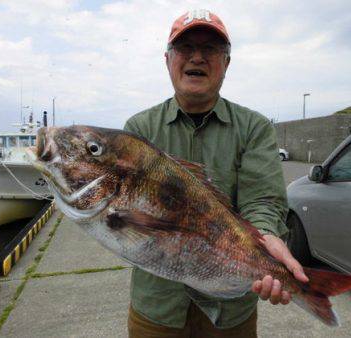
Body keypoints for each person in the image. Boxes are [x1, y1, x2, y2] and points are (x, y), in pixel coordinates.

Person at [124, 9, 308, 338]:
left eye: (210, 49)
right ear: (167, 60)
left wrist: (266, 240)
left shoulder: (253, 127)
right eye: (185, 48)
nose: (197, 56)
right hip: (157, 307)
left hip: (231, 312)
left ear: (226, 63)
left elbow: (262, 199)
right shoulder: (139, 130)